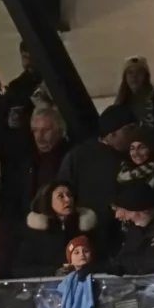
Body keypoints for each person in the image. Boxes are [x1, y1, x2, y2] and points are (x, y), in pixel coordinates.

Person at [59, 104, 136, 246]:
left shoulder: (134, 158)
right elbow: (62, 193)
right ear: (112, 134)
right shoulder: (79, 155)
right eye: (129, 129)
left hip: (120, 240)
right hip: (83, 240)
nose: (134, 134)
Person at [13, 181, 99, 278]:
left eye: (69, 195)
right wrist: (54, 272)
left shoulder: (85, 229)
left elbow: (104, 262)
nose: (67, 199)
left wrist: (83, 269)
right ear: (48, 201)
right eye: (60, 196)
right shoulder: (36, 232)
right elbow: (19, 269)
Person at [4, 106, 72, 218]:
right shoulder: (27, 160)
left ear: (59, 131)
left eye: (45, 130)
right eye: (35, 130)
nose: (39, 137)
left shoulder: (70, 159)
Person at [113, 56, 154, 157]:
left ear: (146, 75)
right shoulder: (120, 103)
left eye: (139, 72)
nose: (134, 76)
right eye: (130, 72)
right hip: (128, 159)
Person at [0, 42, 42, 149]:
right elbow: (1, 120)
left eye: (32, 56)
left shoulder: (52, 83)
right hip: (23, 146)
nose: (28, 61)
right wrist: (9, 121)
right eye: (25, 57)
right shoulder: (15, 87)